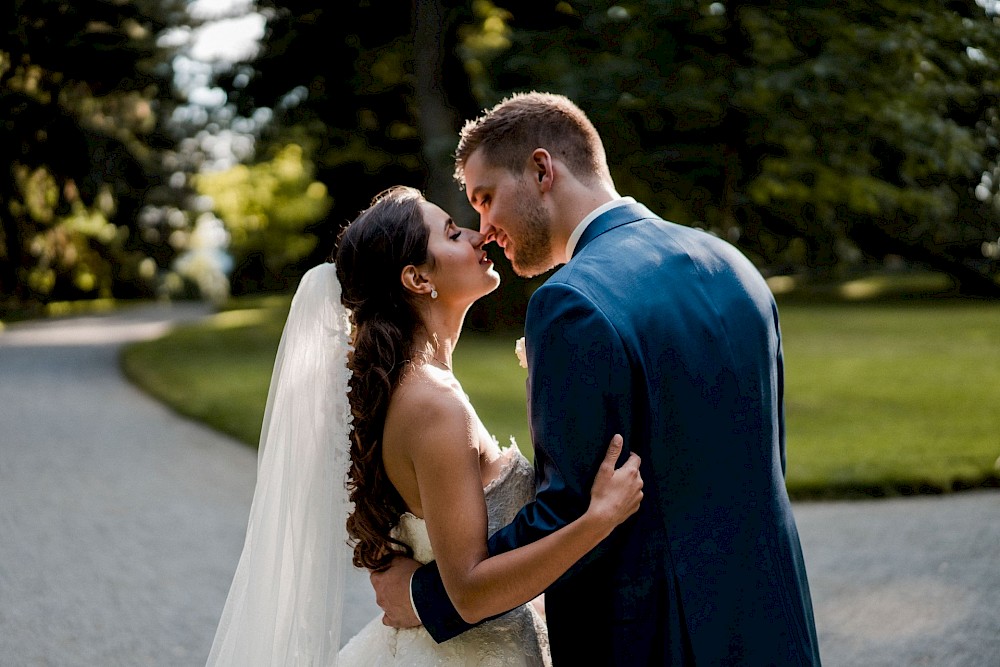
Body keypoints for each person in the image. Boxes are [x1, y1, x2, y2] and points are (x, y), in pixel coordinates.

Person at [371, 93, 823, 665]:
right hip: (776, 625)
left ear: (541, 169)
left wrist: (426, 595)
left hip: (657, 641)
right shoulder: (734, 266)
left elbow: (571, 510)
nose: (484, 228)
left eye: (486, 199)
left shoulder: (571, 303)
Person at [205, 185, 644, 666]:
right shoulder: (432, 404)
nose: (480, 237)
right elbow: (471, 592)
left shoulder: (420, 388)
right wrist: (597, 520)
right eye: (454, 234)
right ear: (416, 278)